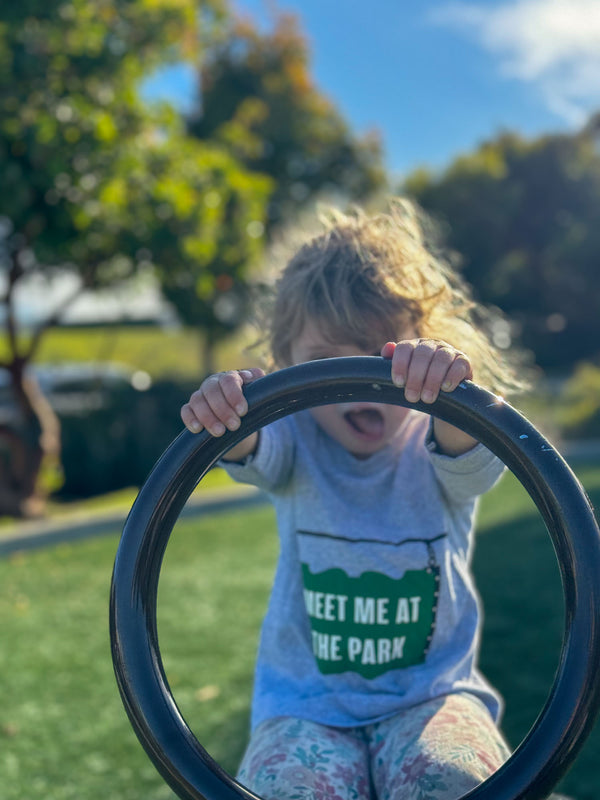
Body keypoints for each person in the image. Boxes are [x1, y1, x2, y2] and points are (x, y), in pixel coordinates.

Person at [181, 199, 527, 800]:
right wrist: (229, 411)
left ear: (424, 351)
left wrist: (450, 390)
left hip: (432, 695)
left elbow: (471, 460)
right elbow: (248, 445)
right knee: (286, 788)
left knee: (455, 780)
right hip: (305, 707)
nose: (359, 381)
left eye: (386, 357)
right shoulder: (295, 437)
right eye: (325, 364)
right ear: (285, 369)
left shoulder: (438, 439)